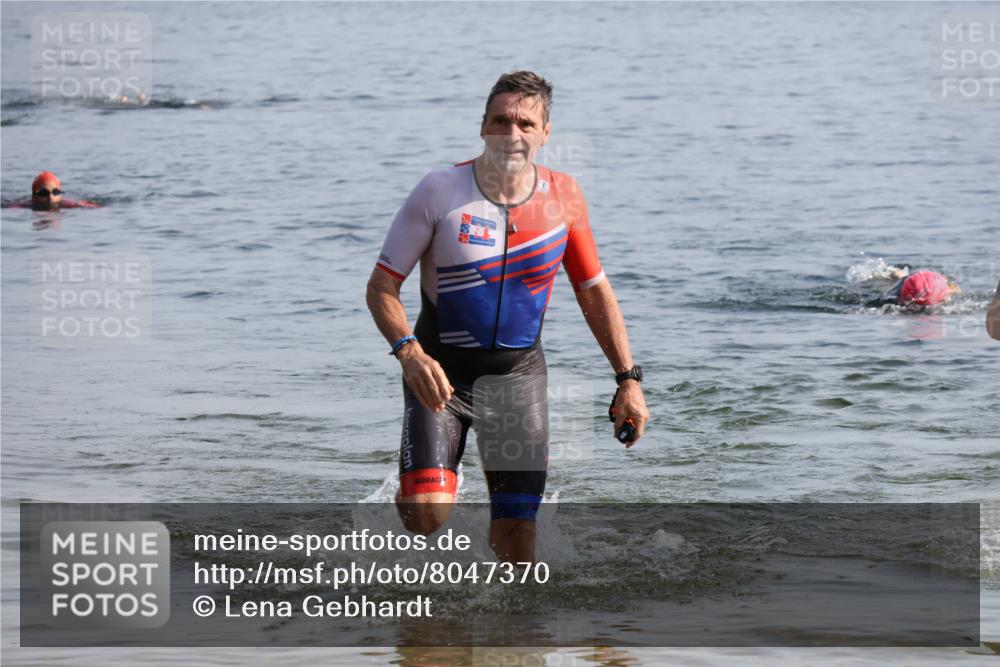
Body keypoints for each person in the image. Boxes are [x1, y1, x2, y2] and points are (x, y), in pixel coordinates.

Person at [366, 71, 649, 562]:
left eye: (525, 123)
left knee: (518, 542)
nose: (512, 134)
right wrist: (408, 352)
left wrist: (628, 379)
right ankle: (413, 490)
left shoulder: (564, 198)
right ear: (482, 126)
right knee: (426, 515)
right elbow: (381, 287)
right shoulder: (439, 191)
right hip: (442, 378)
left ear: (545, 133)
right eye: (501, 121)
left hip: (517, 381)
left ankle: (513, 635)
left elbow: (594, 291)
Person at [864, 269, 960, 309]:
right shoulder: (891, 299)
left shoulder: (938, 285)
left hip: (921, 280)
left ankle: (899, 274)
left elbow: (954, 289)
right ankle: (898, 274)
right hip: (909, 283)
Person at [4, 172, 101, 211]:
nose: (50, 197)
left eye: (55, 192)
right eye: (44, 193)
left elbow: (92, 206)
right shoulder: (26, 205)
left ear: (60, 195)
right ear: (34, 196)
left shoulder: (68, 203)